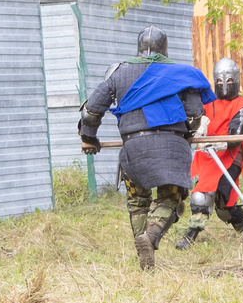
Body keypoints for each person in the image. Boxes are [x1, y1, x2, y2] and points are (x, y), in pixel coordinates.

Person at [79, 29, 214, 268]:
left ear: (138, 48)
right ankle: (150, 237)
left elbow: (90, 111)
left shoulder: (117, 72)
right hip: (172, 146)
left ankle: (144, 259)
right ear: (165, 48)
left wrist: (89, 139)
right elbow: (194, 116)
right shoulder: (182, 74)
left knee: (138, 201)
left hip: (134, 147)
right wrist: (189, 134)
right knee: (170, 198)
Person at [177, 56, 243, 248]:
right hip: (206, 156)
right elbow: (193, 124)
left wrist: (220, 144)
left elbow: (236, 135)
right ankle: (189, 238)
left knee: (225, 207)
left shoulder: (242, 106)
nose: (224, 85)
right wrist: (197, 129)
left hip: (230, 156)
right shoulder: (207, 103)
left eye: (229, 81)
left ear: (236, 80)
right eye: (219, 81)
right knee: (200, 196)